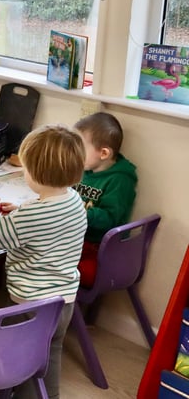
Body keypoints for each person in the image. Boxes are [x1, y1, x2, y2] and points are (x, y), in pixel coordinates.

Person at [0, 124, 87, 399]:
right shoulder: (73, 200)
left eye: (25, 169)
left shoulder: (32, 216)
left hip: (30, 304)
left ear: (35, 174)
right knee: (50, 354)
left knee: (21, 358)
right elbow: (46, 226)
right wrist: (21, 212)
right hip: (63, 302)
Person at [74, 112, 137, 286]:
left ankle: (53, 309)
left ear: (103, 153)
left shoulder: (120, 180)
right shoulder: (85, 170)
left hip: (98, 251)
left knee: (51, 268)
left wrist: (79, 213)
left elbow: (110, 219)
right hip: (76, 240)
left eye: (81, 148)